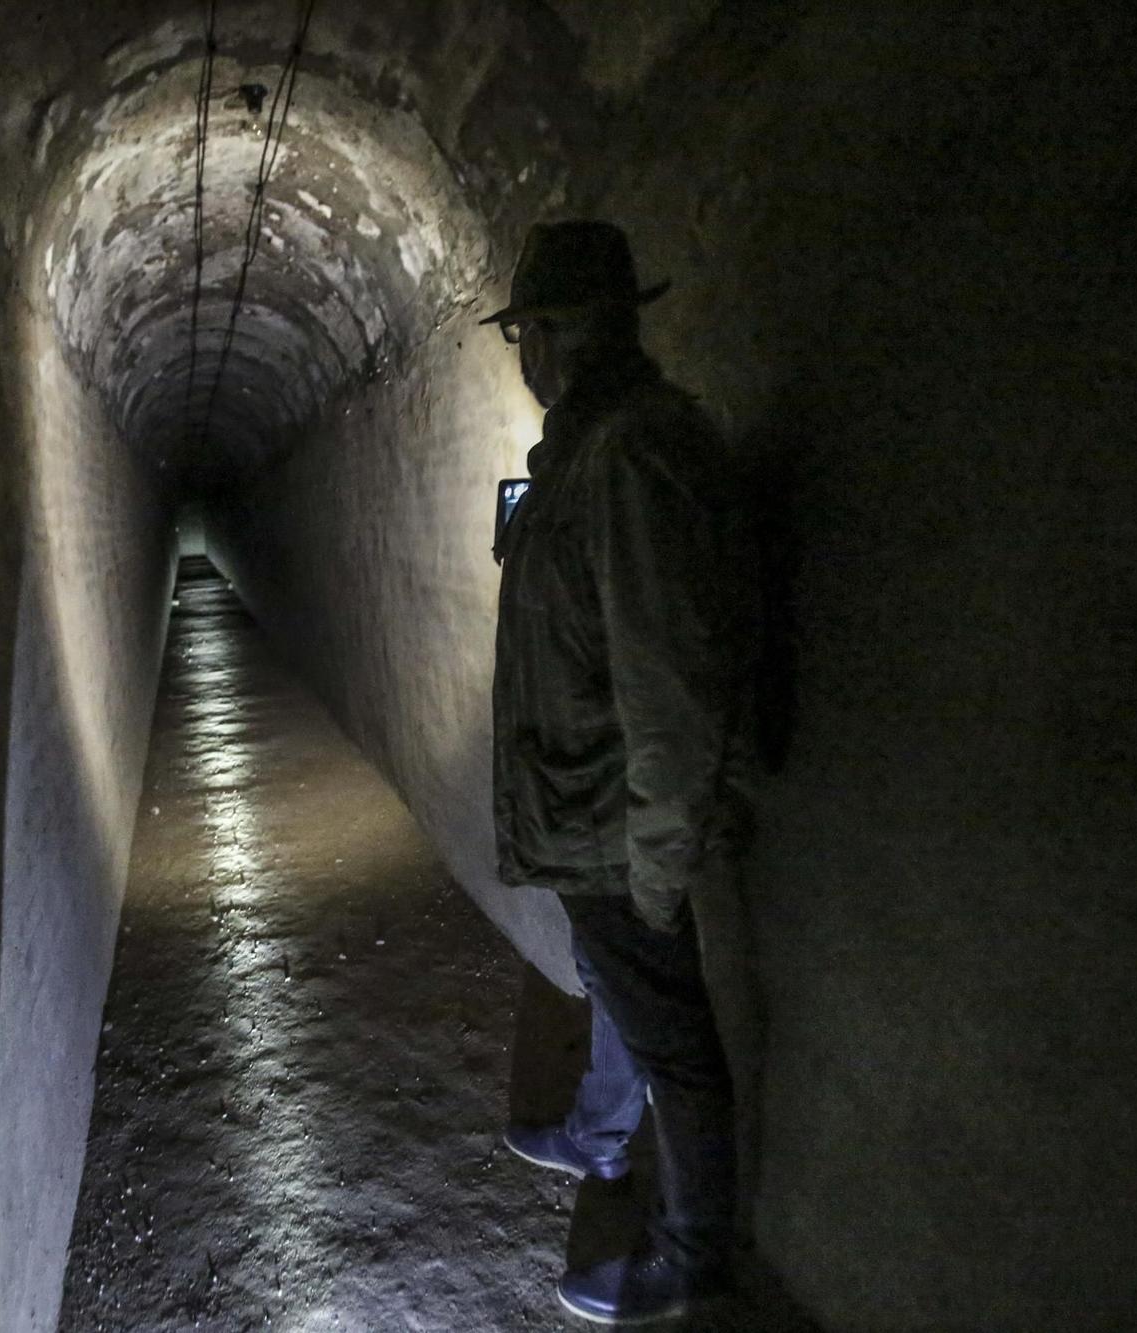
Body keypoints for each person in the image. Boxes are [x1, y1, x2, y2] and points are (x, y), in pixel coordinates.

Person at [484, 220, 753, 1325]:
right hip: (586, 812)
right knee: (617, 986)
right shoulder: (587, 453)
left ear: (554, 335)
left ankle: (691, 1262)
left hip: (612, 824)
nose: (522, 356)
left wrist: (653, 865)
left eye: (525, 334)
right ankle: (597, 1136)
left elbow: (667, 691)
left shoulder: (628, 456)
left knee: (674, 1036)